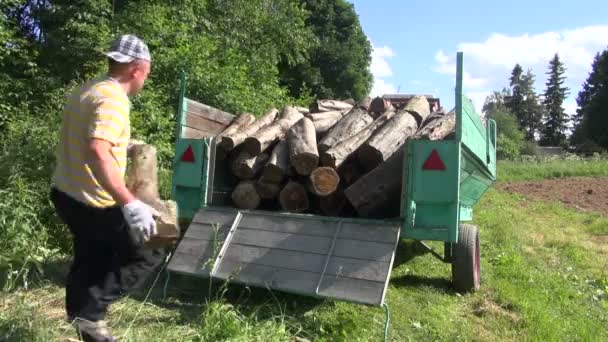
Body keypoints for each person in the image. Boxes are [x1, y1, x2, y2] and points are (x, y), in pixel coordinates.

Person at [50, 34, 165, 342]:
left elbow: (88, 137)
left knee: (91, 255)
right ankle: (90, 314)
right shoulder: (114, 100)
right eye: (148, 73)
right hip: (94, 202)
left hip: (65, 193)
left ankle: (82, 318)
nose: (146, 79)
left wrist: (126, 145)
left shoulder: (88, 90)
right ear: (137, 69)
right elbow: (97, 150)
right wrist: (129, 203)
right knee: (148, 254)